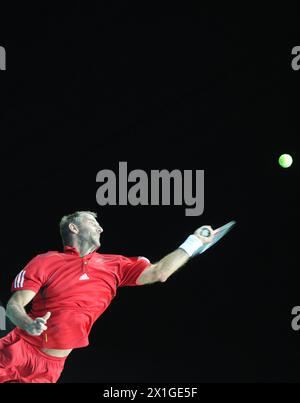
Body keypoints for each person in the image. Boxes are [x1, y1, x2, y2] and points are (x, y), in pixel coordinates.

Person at [0, 210, 215, 383]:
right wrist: (29, 324)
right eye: (93, 222)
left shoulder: (116, 265)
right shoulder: (46, 261)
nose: (100, 227)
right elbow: (14, 306)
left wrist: (193, 242)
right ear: (74, 228)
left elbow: (160, 272)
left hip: (51, 368)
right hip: (18, 348)